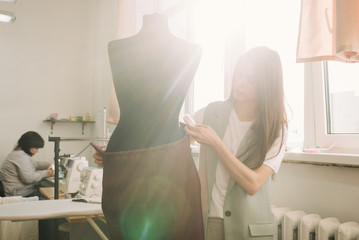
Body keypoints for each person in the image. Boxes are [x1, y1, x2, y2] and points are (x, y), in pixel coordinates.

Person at [96, 13, 204, 240]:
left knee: (175, 229)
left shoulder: (191, 49)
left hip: (167, 156)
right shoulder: (117, 47)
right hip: (130, 156)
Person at [184, 46, 288, 240]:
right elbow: (176, 143)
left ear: (267, 85)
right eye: (239, 75)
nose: (240, 83)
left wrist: (216, 143)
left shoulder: (276, 129)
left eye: (251, 80)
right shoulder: (211, 112)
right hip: (210, 223)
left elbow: (253, 183)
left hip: (249, 231)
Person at [0, 131, 54, 200]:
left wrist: (50, 164)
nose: (37, 151)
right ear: (30, 146)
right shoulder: (20, 156)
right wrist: (47, 173)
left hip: (18, 191)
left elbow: (36, 164)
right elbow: (29, 178)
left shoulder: (19, 154)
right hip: (19, 194)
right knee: (49, 201)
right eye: (36, 148)